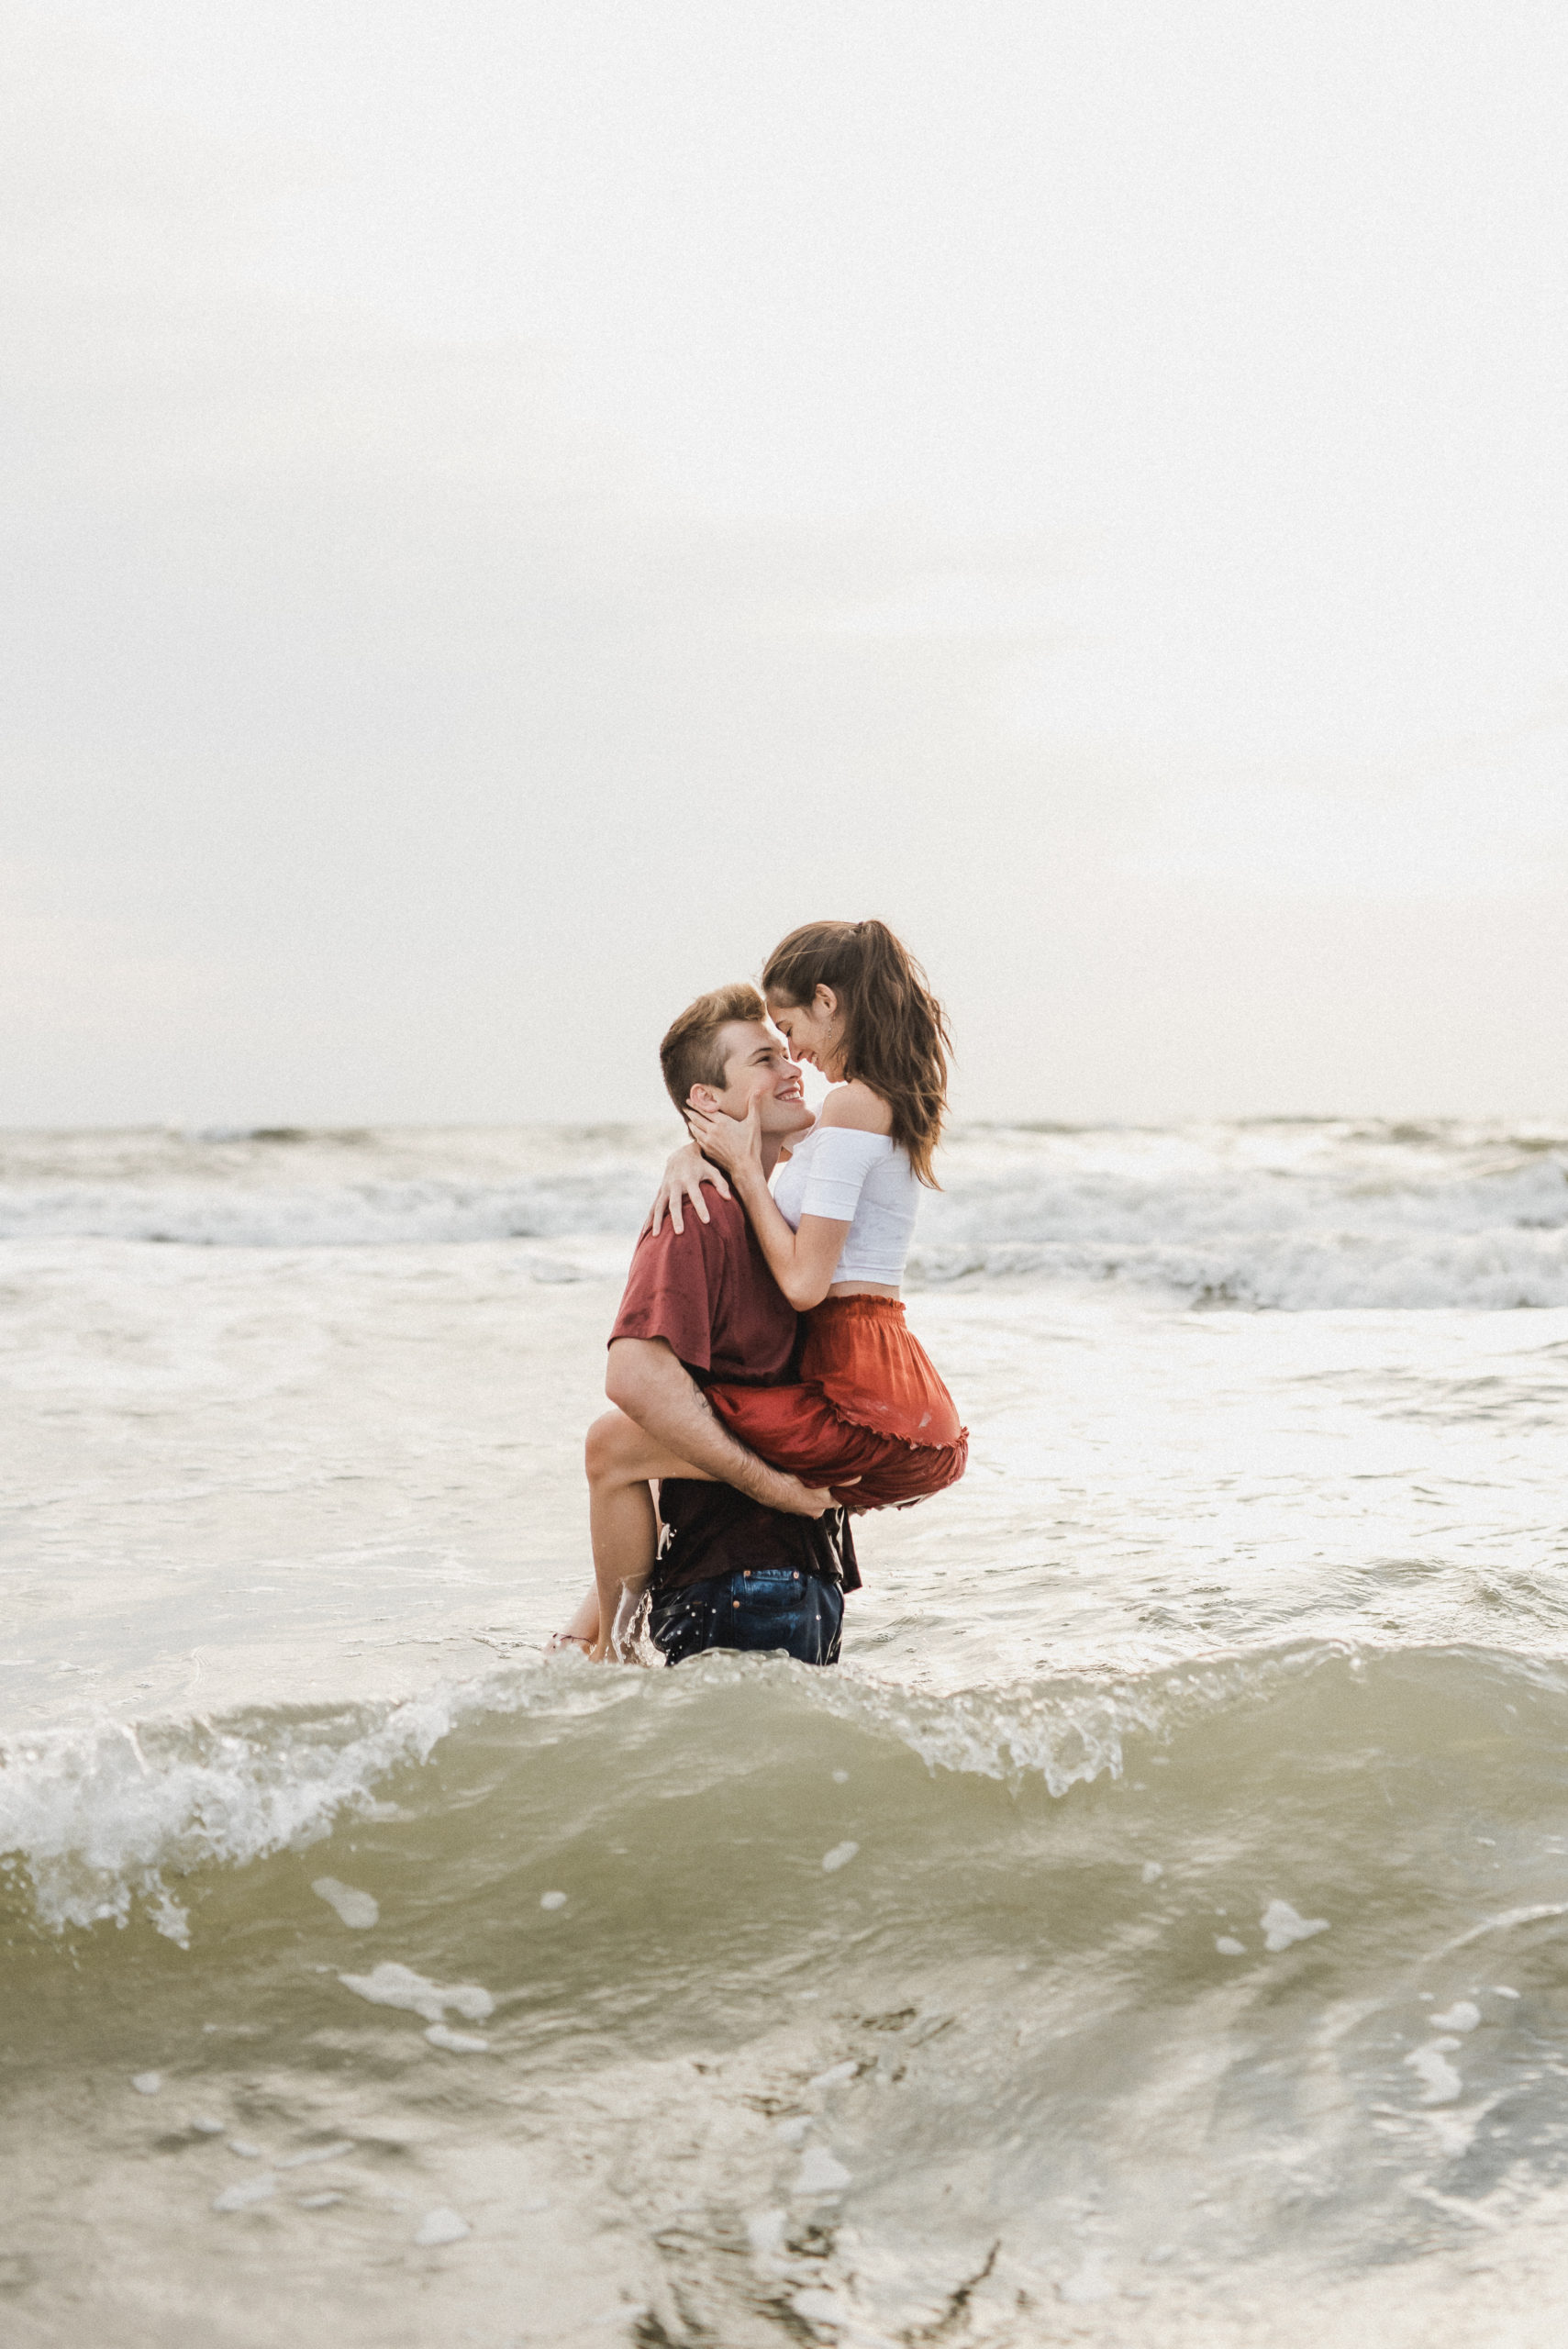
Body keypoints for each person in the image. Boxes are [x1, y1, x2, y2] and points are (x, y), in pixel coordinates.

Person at [551, 981, 860, 1665]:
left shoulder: (783, 1220)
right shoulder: (696, 1214)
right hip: (744, 1585)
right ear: (706, 1099)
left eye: (786, 1052)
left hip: (781, 1582)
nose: (792, 1069)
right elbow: (636, 1385)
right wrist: (596, 1628)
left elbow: (683, 1428)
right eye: (763, 1060)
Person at [651, 917, 966, 1513]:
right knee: (629, 1449)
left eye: (789, 1029)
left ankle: (622, 1613)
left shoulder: (852, 1106)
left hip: (864, 1400)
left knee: (621, 1440)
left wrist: (743, 1175)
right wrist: (684, 1155)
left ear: (826, 1000)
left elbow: (802, 1285)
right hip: (887, 1391)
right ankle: (626, 1610)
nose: (793, 1053)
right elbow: (757, 1138)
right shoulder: (865, 1109)